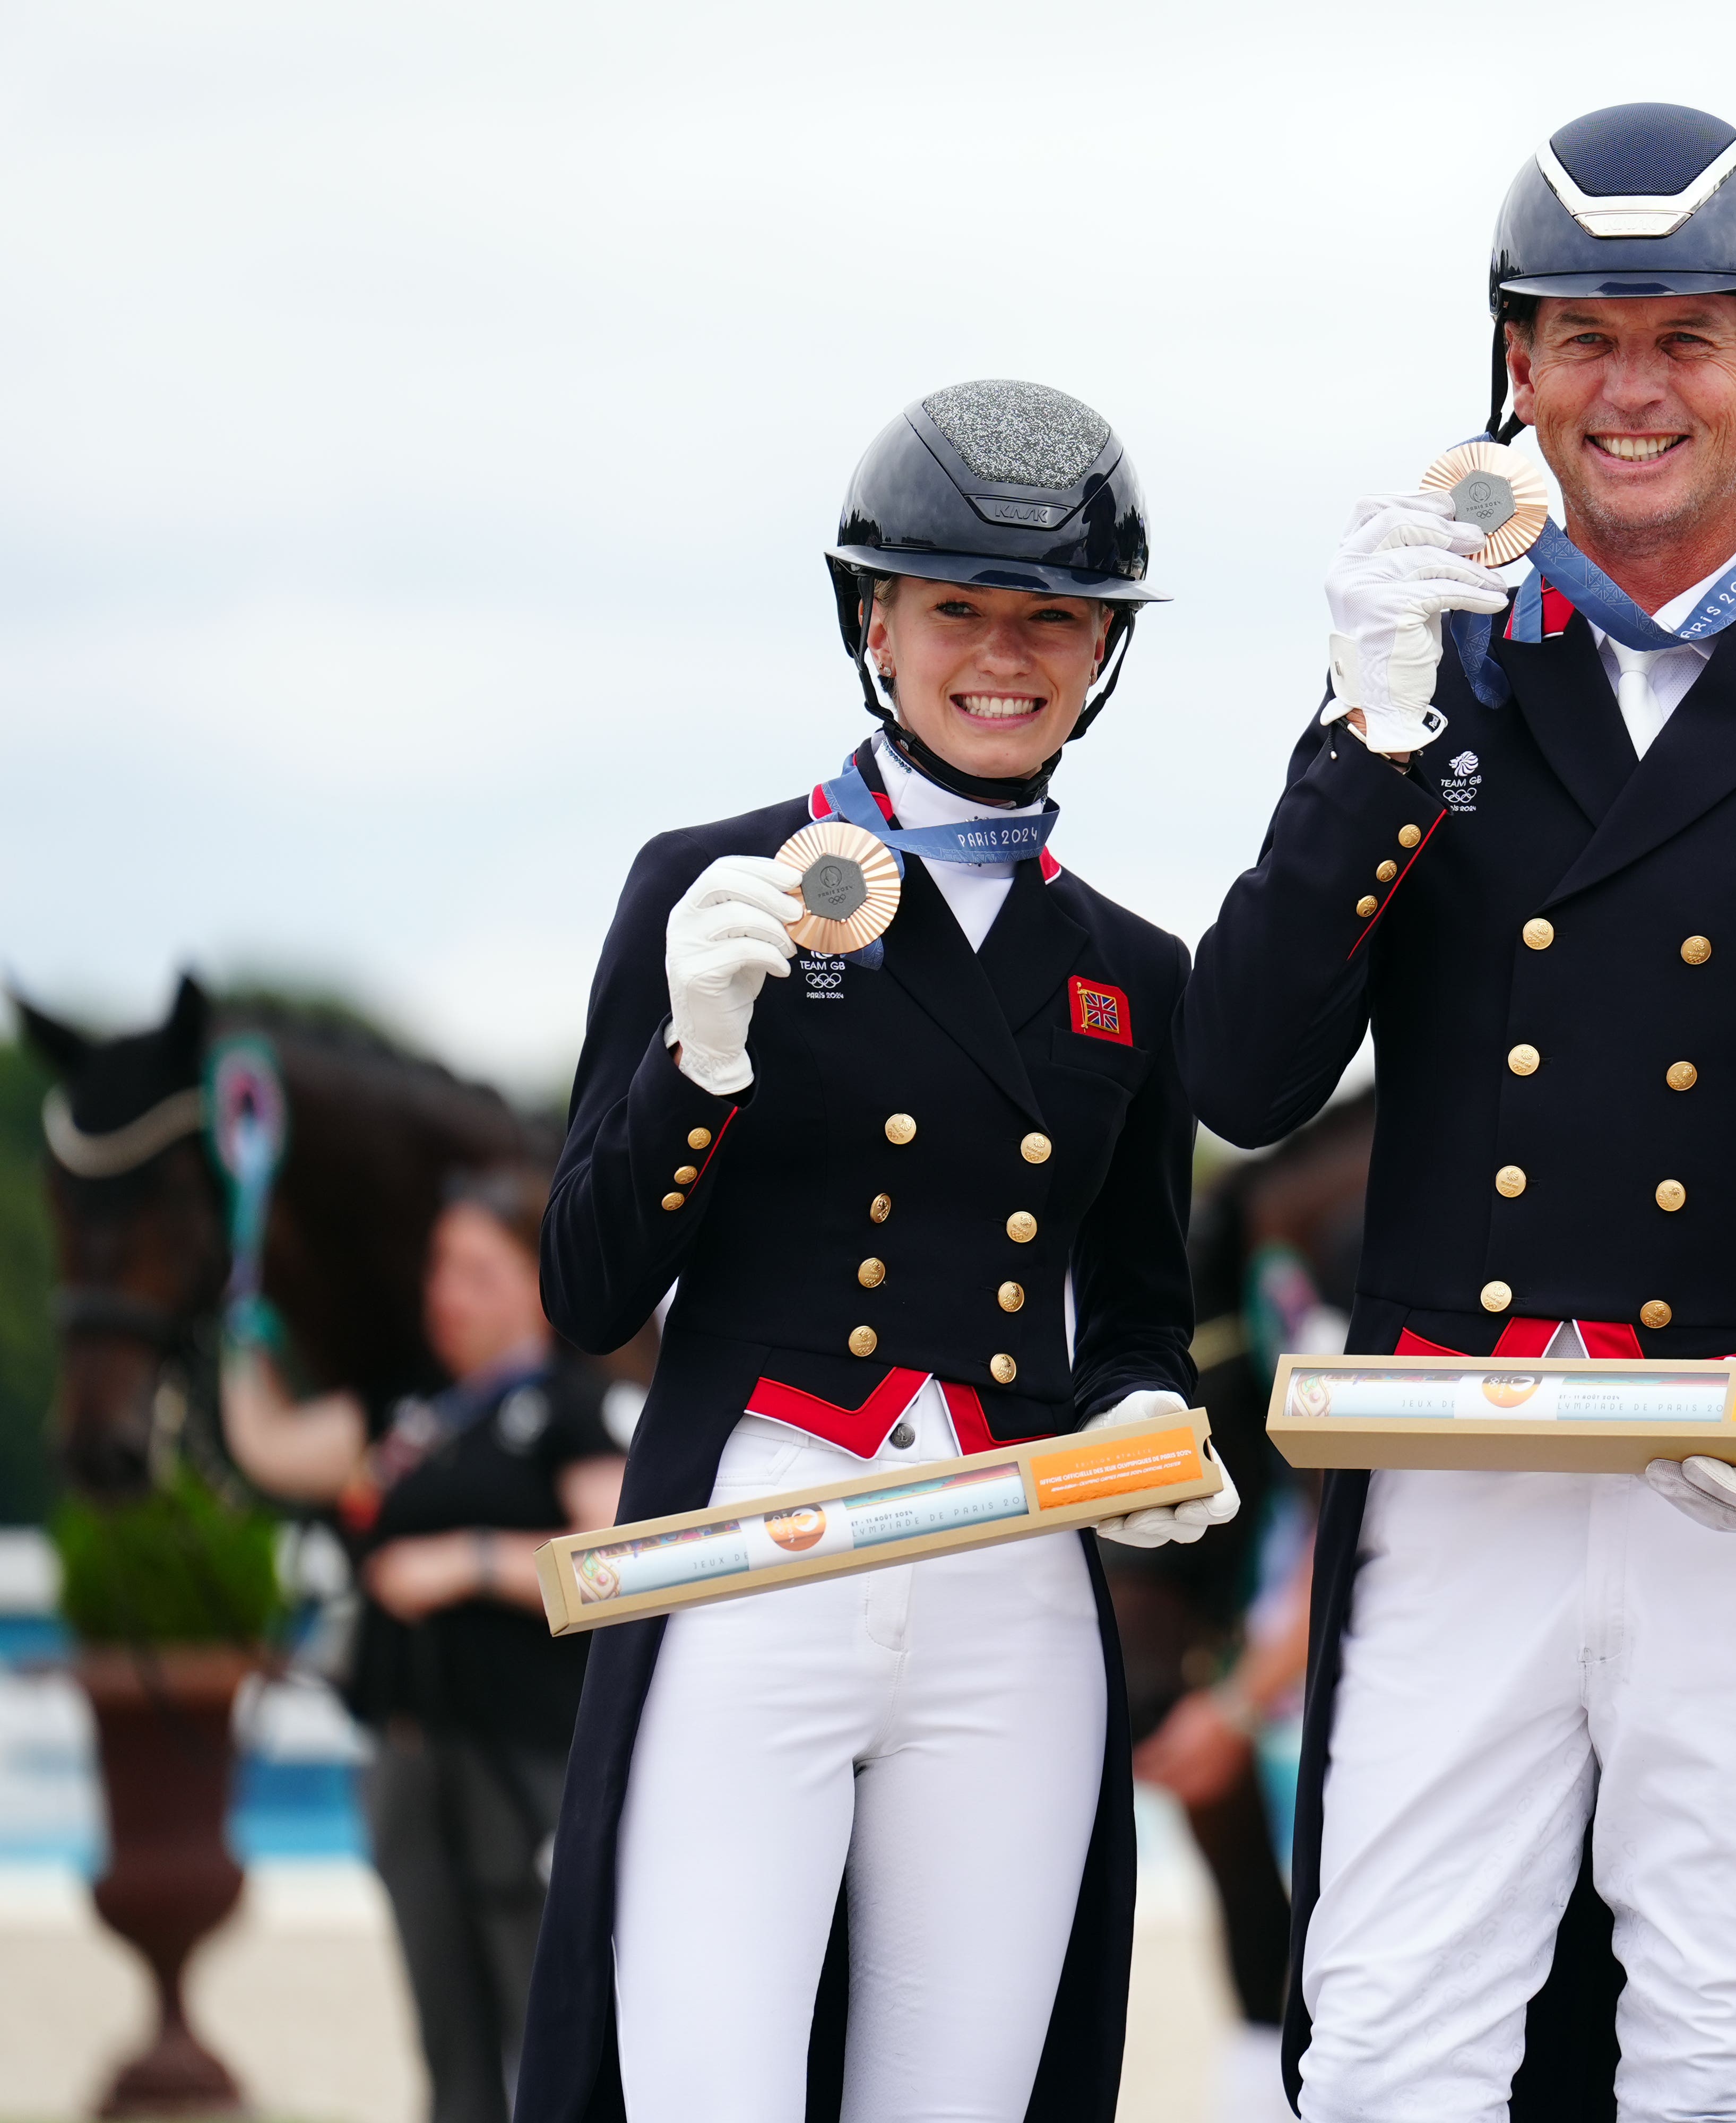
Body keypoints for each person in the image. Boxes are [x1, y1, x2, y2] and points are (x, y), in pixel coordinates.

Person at [1183, 102, 1736, 2123]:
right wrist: (1373, 737)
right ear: (1516, 369)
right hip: (1461, 1470)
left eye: (1687, 338)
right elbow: (1244, 1070)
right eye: (1580, 337)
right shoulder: (1419, 684)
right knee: (1387, 2052)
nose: (1631, 389)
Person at [515, 381, 1236, 2123]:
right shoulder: (718, 882)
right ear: (875, 622)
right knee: (706, 2084)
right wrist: (699, 1059)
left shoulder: (1134, 973)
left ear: (1102, 650)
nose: (1007, 653)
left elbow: (1137, 1307)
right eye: (956, 611)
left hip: (1008, 1579)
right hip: (761, 1548)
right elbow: (588, 1287)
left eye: (1053, 617)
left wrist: (1147, 1417)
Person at [223, 1164, 629, 2123]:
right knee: (441, 2013)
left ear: (539, 1280)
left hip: (523, 1755)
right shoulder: (409, 1411)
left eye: (479, 1272)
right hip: (411, 1750)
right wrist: (243, 1321)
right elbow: (270, 1447)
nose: (449, 1294)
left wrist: (474, 1560)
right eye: (442, 1269)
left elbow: (622, 1568)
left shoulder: (572, 1409)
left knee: (538, 2005)